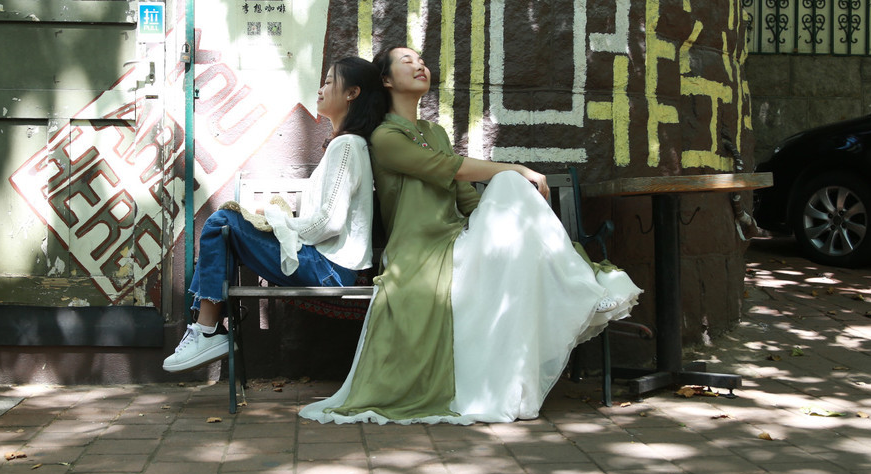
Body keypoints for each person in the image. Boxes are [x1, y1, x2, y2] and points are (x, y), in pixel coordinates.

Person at [299, 47, 641, 424]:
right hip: (419, 251)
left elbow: (464, 196)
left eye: (421, 61)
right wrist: (516, 169)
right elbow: (446, 167)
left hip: (457, 239)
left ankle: (574, 295)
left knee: (512, 199)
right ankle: (582, 287)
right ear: (386, 80)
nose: (420, 65)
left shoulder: (435, 131)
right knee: (510, 180)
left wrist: (509, 225)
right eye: (407, 62)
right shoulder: (384, 136)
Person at [163, 57, 386, 372]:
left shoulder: (347, 145)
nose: (320, 89)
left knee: (221, 223)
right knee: (225, 231)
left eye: (328, 82)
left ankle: (207, 330)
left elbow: (329, 222)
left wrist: (280, 223)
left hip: (329, 268)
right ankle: (207, 330)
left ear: (352, 93)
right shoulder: (347, 144)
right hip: (328, 265)